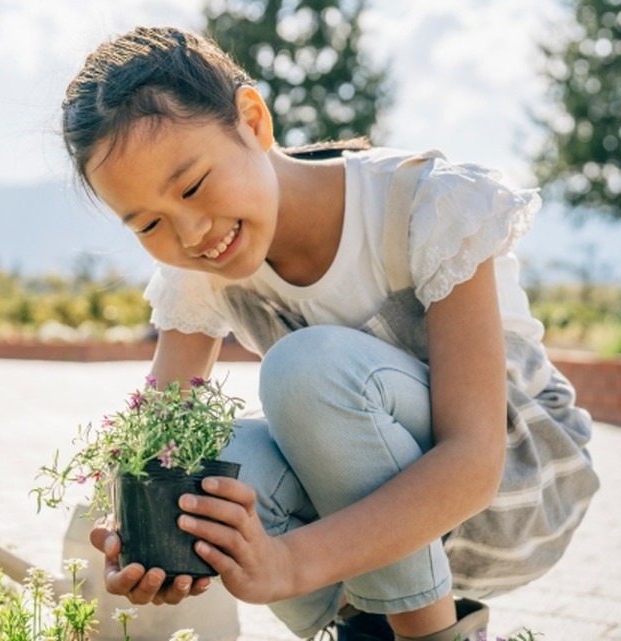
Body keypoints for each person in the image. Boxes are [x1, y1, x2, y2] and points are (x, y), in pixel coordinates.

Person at [60, 26, 600, 641]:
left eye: (192, 187)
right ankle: (360, 625)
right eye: (150, 222)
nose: (189, 235)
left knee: (305, 368)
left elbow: (475, 462)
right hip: (379, 519)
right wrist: (129, 526)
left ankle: (426, 635)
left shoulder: (426, 204)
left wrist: (291, 563)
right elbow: (156, 431)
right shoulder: (199, 269)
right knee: (205, 472)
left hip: (515, 480)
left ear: (253, 120)